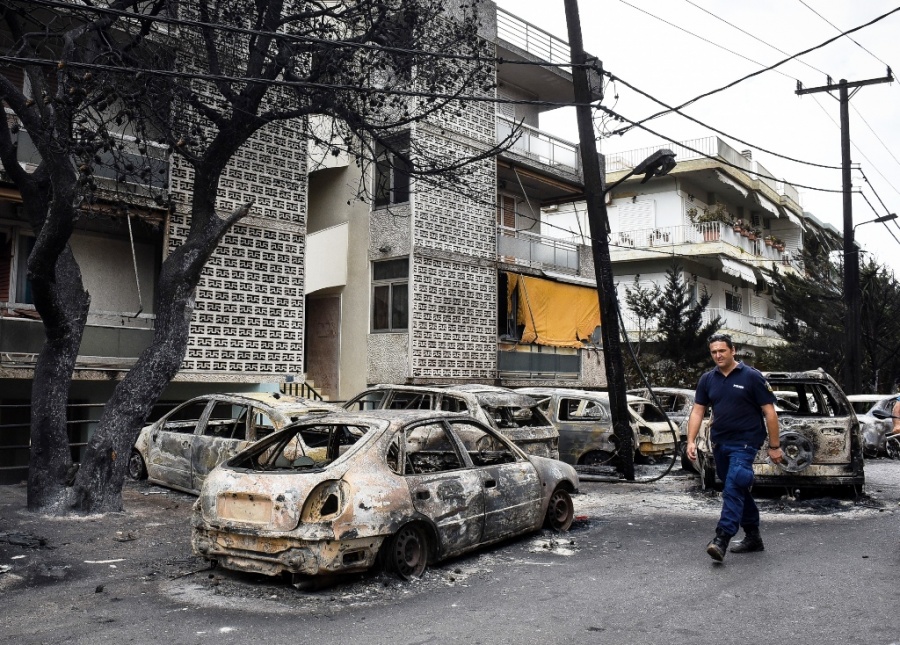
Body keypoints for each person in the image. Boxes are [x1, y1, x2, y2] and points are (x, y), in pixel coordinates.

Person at [686, 333, 782, 562]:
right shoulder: (708, 379)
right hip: (720, 443)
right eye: (714, 352)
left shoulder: (751, 377)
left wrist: (774, 446)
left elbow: (770, 412)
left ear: (733, 350)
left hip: (746, 443)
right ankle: (753, 536)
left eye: (722, 350)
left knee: (734, 485)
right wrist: (690, 441)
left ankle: (722, 538)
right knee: (737, 488)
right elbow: (698, 411)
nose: (718, 355)